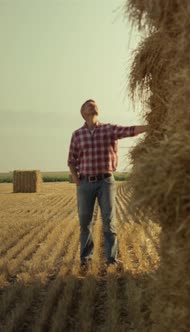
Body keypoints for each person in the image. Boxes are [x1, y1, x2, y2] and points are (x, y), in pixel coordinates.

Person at [67, 99, 146, 270]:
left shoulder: (108, 129)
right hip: (85, 183)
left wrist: (150, 125)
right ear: (83, 112)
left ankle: (111, 260)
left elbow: (130, 130)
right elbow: (71, 160)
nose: (93, 105)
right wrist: (77, 180)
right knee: (85, 223)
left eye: (95, 104)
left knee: (109, 222)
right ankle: (86, 260)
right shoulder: (77, 135)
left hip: (106, 182)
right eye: (89, 104)